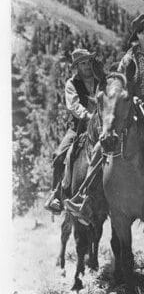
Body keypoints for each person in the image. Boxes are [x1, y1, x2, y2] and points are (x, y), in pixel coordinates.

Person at [65, 10, 144, 221]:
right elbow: (119, 85)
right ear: (140, 35)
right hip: (140, 111)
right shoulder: (129, 58)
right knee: (103, 145)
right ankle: (86, 196)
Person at [44, 48, 106, 213]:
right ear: (77, 66)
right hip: (79, 127)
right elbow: (73, 105)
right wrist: (89, 116)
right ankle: (56, 194)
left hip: (103, 125)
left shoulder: (101, 80)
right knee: (59, 155)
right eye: (83, 63)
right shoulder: (72, 84)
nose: (87, 66)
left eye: (88, 62)